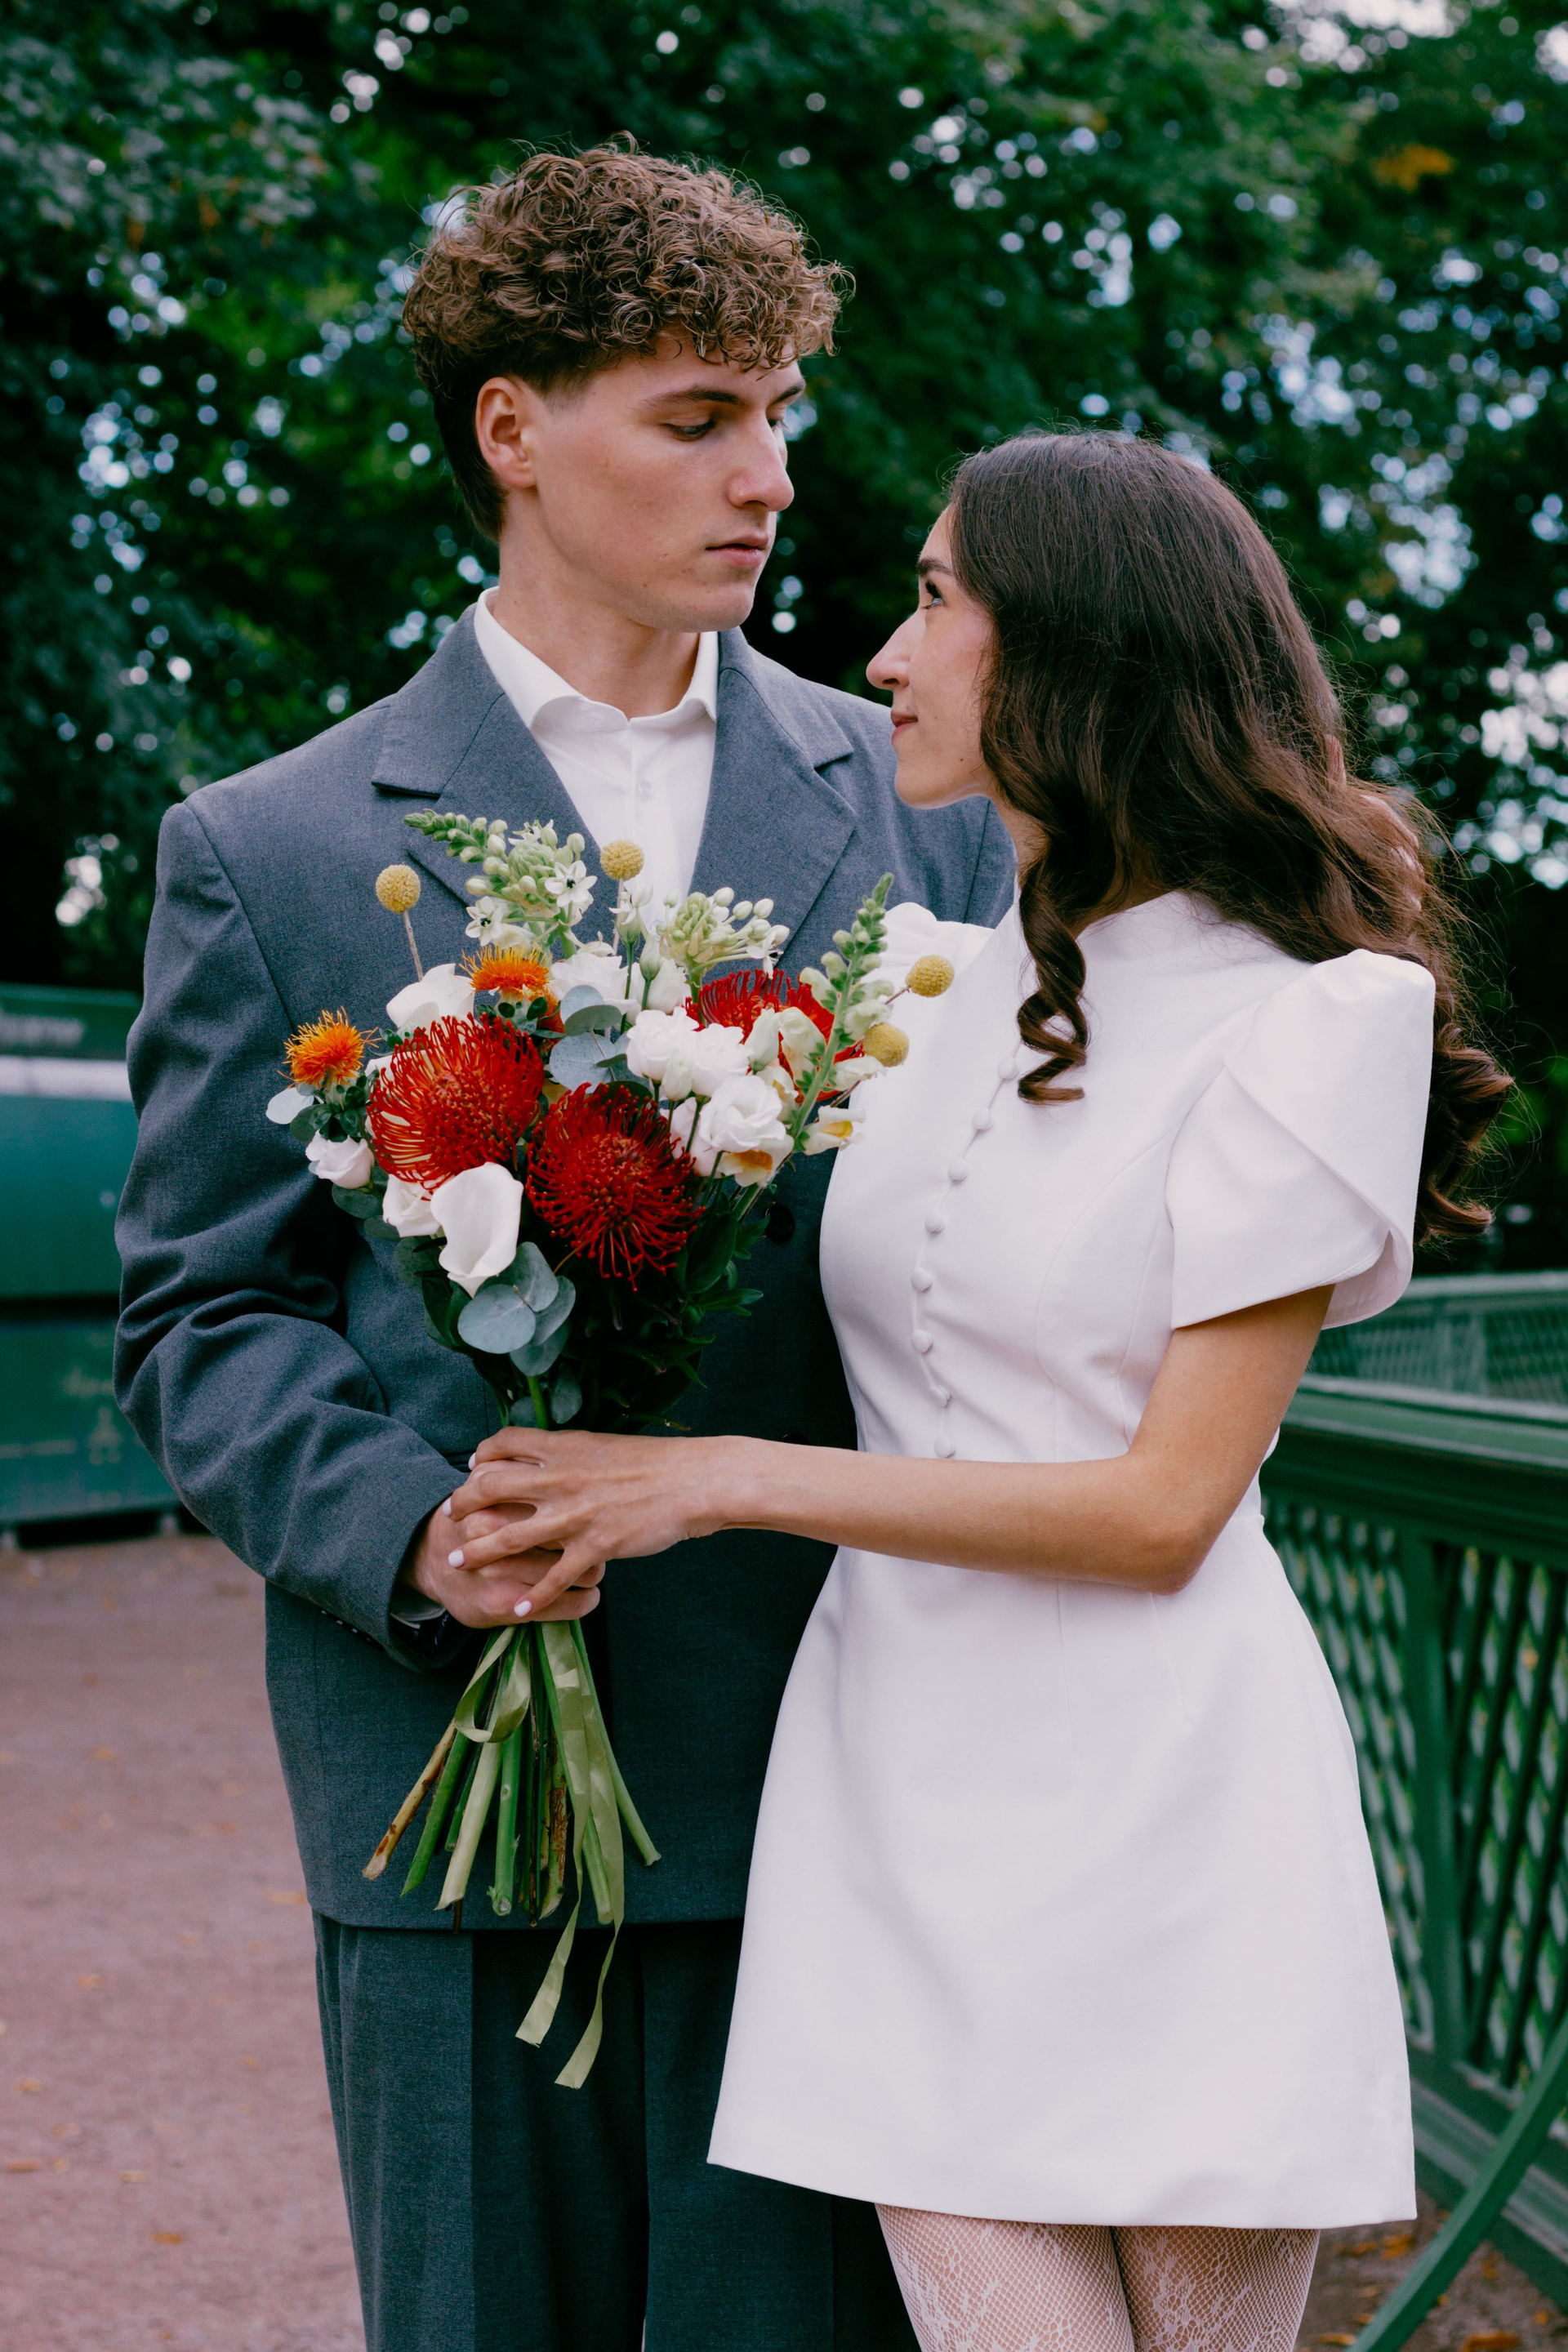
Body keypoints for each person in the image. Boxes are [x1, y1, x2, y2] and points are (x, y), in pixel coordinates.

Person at [436, 430, 1512, 2352]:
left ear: (1076, 648)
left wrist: (712, 1480)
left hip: (1172, 1816)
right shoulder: (919, 984)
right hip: (893, 1807)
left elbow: (1162, 1510)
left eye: (937, 599)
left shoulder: (1308, 1017)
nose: (885, 655)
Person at [114, 145, 1013, 2352]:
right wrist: (415, 1536)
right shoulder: (266, 846)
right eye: (699, 418)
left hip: (840, 1770)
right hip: (452, 1797)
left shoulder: (937, 813)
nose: (768, 477)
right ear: (514, 428)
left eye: (779, 415)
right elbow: (202, 1311)